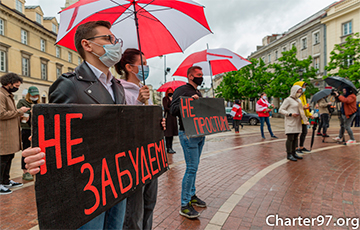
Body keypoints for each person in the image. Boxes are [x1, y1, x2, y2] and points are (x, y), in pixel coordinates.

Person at [22, 20, 127, 229]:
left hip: (116, 178)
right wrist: (39, 151)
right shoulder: (70, 84)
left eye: (115, 40)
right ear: (87, 45)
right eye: (108, 39)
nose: (115, 45)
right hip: (86, 186)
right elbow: (53, 133)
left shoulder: (118, 86)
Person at [114, 48, 160, 230]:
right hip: (133, 159)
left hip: (151, 155)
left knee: (149, 203)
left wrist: (158, 122)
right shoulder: (118, 90)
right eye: (143, 64)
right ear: (129, 67)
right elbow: (123, 123)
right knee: (134, 212)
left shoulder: (145, 90)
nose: (146, 68)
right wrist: (139, 102)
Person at [170, 66, 207, 219]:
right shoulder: (182, 90)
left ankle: (191, 195)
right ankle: (184, 205)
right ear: (190, 76)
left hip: (199, 133)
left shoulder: (198, 92)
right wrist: (189, 102)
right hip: (187, 133)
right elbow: (173, 110)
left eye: (202, 74)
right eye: (199, 74)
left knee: (195, 167)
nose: (201, 77)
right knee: (191, 168)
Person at [0, 73, 29, 194]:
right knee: (3, 159)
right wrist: (19, 111)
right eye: (16, 85)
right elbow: (1, 114)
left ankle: (6, 180)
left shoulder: (8, 95)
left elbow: (10, 113)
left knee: (9, 157)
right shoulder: (1, 95)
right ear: (8, 83)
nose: (17, 87)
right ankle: (0, 183)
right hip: (4, 134)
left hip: (10, 133)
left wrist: (20, 115)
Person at [279, 85, 309, 161]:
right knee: (290, 138)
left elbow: (301, 111)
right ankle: (289, 154)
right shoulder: (288, 100)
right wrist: (290, 114)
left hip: (297, 122)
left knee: (296, 138)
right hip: (290, 121)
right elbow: (281, 110)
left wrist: (305, 119)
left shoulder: (299, 100)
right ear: (293, 91)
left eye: (300, 92)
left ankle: (294, 152)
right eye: (298, 92)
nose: (299, 93)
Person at [16, 86, 40, 181]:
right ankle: (25, 171)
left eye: (37, 95)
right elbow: (21, 117)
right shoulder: (22, 102)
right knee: (26, 149)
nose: (35, 97)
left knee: (35, 149)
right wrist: (27, 115)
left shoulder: (37, 103)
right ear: (29, 94)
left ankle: (34, 169)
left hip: (36, 129)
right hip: (26, 129)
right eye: (33, 95)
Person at [293, 81, 313, 153]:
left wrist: (309, 114)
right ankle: (295, 147)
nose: (304, 88)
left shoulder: (303, 96)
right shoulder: (296, 96)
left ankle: (301, 146)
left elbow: (305, 107)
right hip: (298, 117)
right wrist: (302, 108)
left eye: (304, 87)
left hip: (303, 117)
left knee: (304, 132)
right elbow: (295, 107)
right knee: (296, 133)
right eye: (303, 86)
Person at [162, 87, 178, 154]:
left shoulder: (174, 99)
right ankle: (168, 147)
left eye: (171, 91)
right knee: (168, 133)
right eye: (169, 91)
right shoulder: (165, 99)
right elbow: (166, 107)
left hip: (173, 117)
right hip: (168, 117)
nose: (170, 92)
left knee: (171, 134)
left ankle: (171, 147)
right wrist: (171, 109)